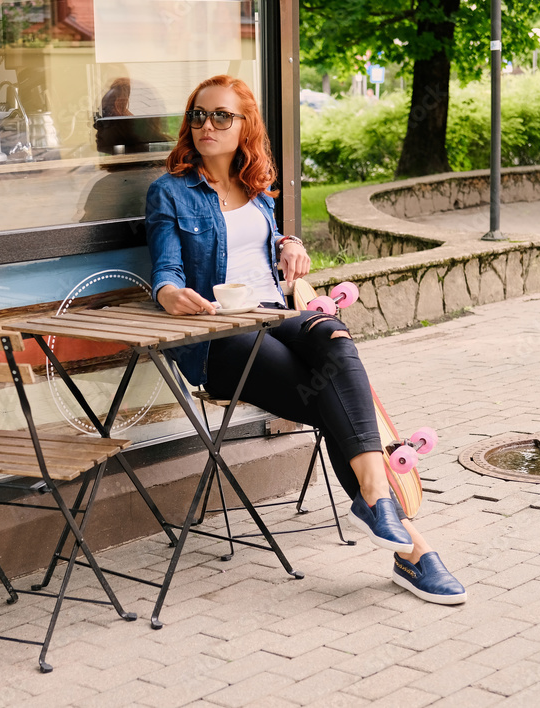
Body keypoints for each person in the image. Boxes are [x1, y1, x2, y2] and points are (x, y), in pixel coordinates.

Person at [145, 75, 466, 605]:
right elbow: (167, 266)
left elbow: (264, 249)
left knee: (334, 336)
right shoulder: (171, 191)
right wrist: (167, 293)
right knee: (331, 395)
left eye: (222, 116)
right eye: (198, 115)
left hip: (277, 317)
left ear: (245, 126)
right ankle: (407, 540)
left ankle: (379, 507)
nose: (207, 125)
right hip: (222, 338)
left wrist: (289, 245)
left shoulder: (257, 187)